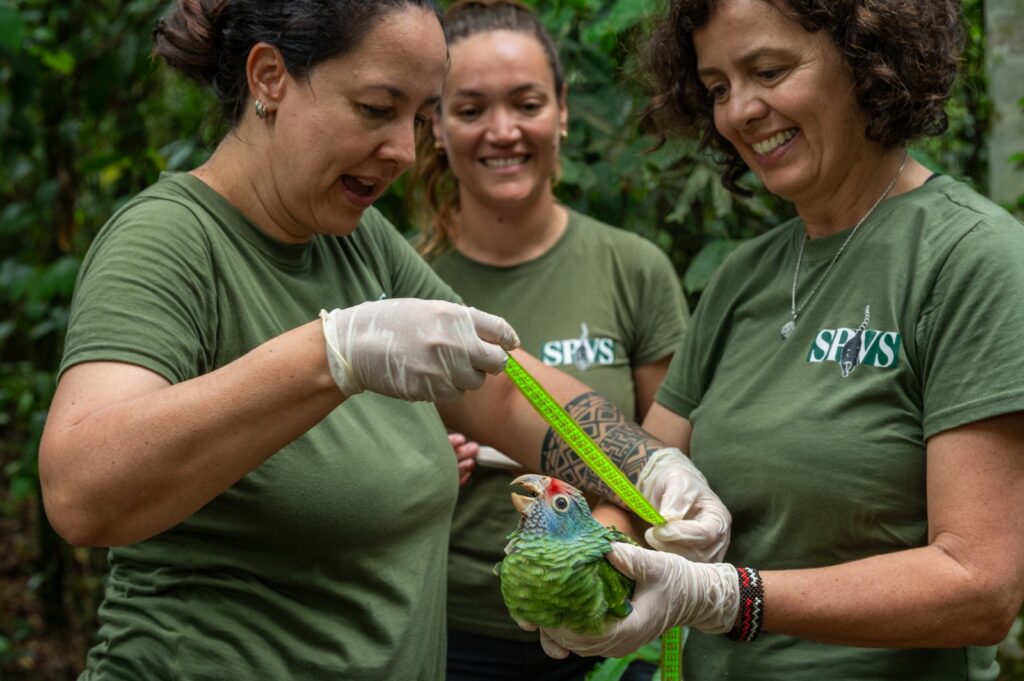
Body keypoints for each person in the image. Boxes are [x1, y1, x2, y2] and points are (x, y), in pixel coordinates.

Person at [37, 1, 731, 679]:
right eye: (376, 109)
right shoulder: (168, 241)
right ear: (269, 77)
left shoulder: (357, 240)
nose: (404, 150)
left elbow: (500, 386)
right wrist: (331, 355)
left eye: (421, 116)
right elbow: (81, 493)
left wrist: (652, 473)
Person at [534, 1, 1024, 680]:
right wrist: (589, 558)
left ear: (868, 59)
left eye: (767, 70)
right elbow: (644, 485)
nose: (739, 111)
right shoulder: (742, 276)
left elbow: (980, 583)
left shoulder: (972, 257)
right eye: (716, 88)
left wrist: (737, 598)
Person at [408, 1, 690, 679]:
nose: (502, 131)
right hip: (451, 637)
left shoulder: (633, 268)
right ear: (437, 127)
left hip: (614, 619)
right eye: (470, 109)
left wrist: (598, 554)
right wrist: (417, 462)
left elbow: (673, 445)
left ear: (562, 109)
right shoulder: (409, 289)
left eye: (526, 103)